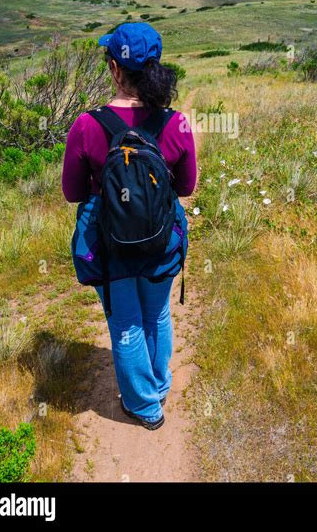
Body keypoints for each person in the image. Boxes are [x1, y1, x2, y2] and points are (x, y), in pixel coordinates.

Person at [62, 23, 196, 430]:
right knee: (157, 313)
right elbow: (186, 187)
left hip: (112, 243)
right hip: (162, 240)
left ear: (116, 70)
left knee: (126, 322)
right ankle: (159, 384)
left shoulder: (87, 124)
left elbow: (72, 192)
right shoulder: (177, 123)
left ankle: (144, 406)